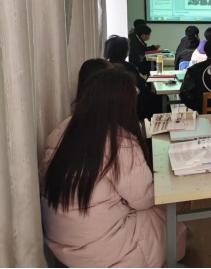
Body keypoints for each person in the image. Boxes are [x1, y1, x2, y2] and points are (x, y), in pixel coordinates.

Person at [40, 70, 188, 267]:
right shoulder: (120, 141)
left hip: (61, 243)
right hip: (103, 247)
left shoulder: (64, 128)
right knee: (173, 204)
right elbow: (144, 199)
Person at [105, 35, 162, 120]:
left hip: (110, 108)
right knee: (161, 99)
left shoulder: (104, 66)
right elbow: (142, 87)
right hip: (133, 106)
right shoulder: (129, 67)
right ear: (126, 51)